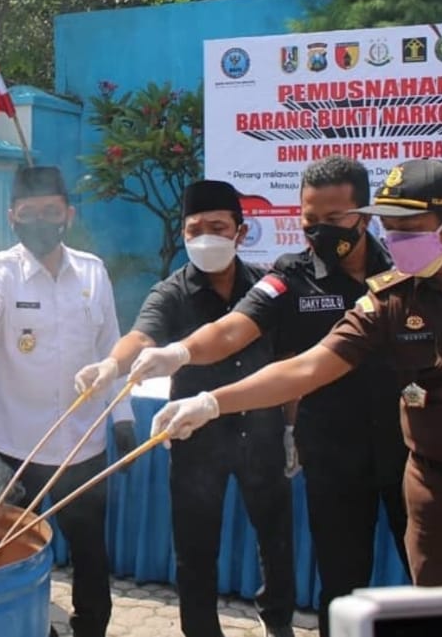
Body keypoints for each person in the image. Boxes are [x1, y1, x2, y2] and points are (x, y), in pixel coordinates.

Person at [142, 158, 442, 637]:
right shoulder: (388, 299)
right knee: (438, 622)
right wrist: (210, 399)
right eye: (392, 227)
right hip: (437, 495)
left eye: (410, 228)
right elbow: (308, 365)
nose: (398, 238)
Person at [95, 159, 406, 635]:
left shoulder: (405, 270)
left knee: (431, 574)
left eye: (334, 221)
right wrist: (178, 353)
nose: (319, 232)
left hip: (407, 449)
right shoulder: (289, 275)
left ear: (364, 216)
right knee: (341, 586)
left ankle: (276, 621)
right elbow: (233, 329)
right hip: (333, 455)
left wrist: (282, 426)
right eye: (309, 222)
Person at [76, 180, 295, 637]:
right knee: (195, 550)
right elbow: (141, 337)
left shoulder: (268, 288)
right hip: (196, 438)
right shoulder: (172, 292)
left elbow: (289, 361)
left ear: (240, 231)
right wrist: (110, 366)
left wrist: (292, 426)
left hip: (262, 434)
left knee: (276, 541)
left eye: (218, 226)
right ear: (183, 234)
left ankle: (278, 623)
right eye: (196, 229)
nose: (206, 237)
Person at [0, 165, 134, 637]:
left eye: (50, 212)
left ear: (67, 215)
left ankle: (90, 627)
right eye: (29, 213)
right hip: (15, 443)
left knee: (90, 549)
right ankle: (23, 626)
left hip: (82, 445)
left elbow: (110, 346)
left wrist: (123, 414)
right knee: (14, 549)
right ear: (12, 217)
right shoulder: (1, 270)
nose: (40, 221)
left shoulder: (92, 273)